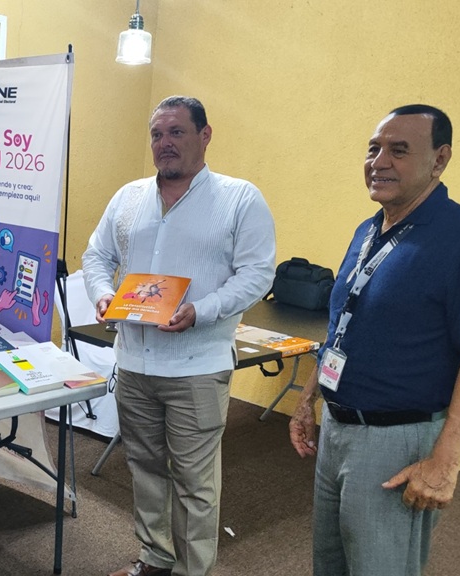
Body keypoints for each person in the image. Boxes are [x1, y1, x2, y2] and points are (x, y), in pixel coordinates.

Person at [288, 105, 460, 576]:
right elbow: (342, 326)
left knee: (379, 567)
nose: (379, 161)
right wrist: (310, 399)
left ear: (440, 159)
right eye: (374, 148)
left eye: (399, 150)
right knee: (330, 564)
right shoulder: (368, 230)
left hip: (396, 441)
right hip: (339, 429)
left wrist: (444, 465)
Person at [83, 96, 276, 576]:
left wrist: (202, 311)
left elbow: (257, 274)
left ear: (205, 135)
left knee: (194, 482)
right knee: (145, 471)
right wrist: (104, 294)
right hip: (133, 364)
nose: (164, 144)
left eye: (176, 132)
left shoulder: (239, 198)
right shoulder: (128, 197)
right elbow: (96, 256)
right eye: (156, 134)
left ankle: (193, 571)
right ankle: (154, 559)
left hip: (197, 366)